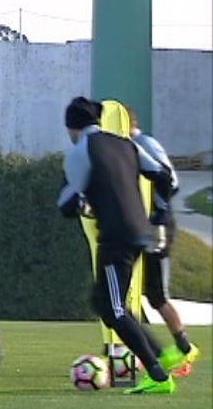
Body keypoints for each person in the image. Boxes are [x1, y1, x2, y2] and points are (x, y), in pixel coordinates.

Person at [58, 97, 180, 393]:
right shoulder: (126, 143)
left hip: (116, 238)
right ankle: (158, 353)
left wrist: (83, 202)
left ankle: (159, 375)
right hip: (139, 233)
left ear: (72, 128)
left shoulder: (80, 150)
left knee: (113, 310)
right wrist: (160, 214)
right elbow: (164, 177)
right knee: (101, 301)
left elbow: (66, 203)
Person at [126, 108, 200, 377]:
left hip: (156, 224)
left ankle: (180, 349)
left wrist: (157, 214)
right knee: (145, 293)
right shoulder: (129, 146)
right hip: (142, 224)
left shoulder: (144, 144)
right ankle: (176, 348)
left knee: (153, 294)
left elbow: (170, 180)